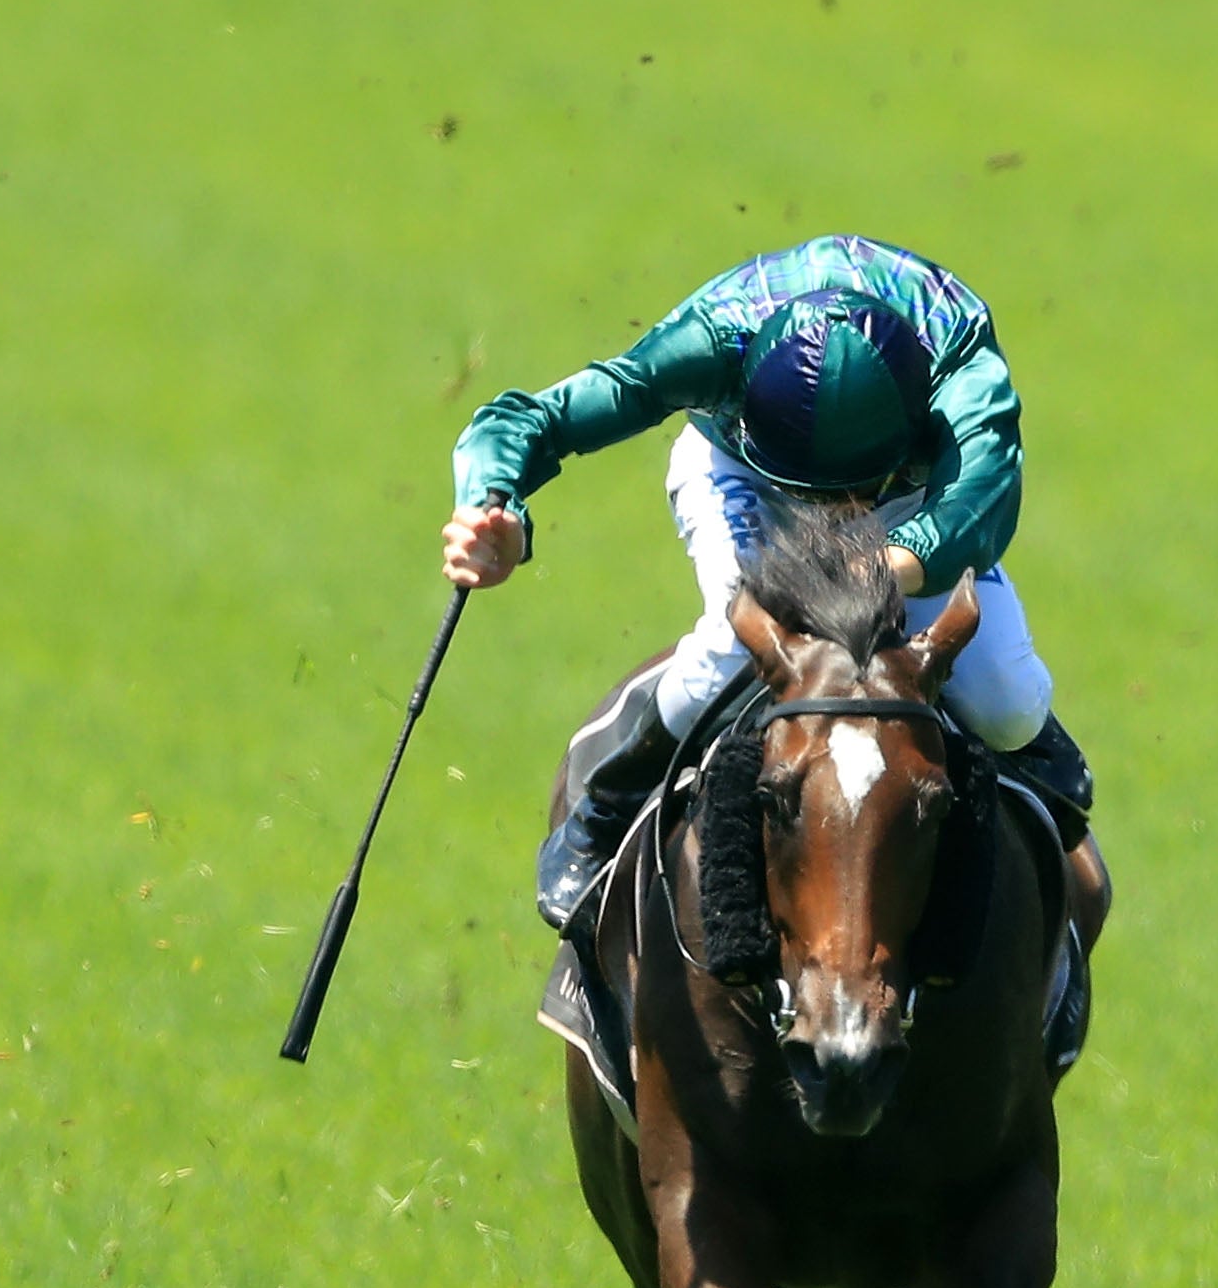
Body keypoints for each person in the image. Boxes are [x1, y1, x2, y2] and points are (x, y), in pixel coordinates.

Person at [443, 233, 1092, 932]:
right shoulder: (709, 342)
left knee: (1005, 700)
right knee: (736, 641)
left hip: (907, 507)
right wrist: (492, 506)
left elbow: (979, 500)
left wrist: (880, 563)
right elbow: (538, 419)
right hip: (747, 479)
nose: (829, 515)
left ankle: (1030, 744)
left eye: (843, 493)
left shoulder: (959, 362)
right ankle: (605, 805)